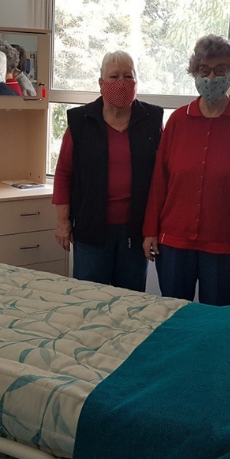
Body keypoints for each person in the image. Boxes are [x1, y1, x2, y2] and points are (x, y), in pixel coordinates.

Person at [142, 34, 230, 306]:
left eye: (221, 70)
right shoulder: (178, 120)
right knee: (172, 314)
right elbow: (160, 179)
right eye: (203, 70)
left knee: (214, 322)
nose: (211, 78)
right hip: (172, 242)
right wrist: (150, 230)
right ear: (193, 73)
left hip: (223, 245)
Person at [52, 50, 164, 292]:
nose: (122, 83)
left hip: (136, 230)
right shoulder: (80, 121)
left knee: (130, 301)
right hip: (91, 229)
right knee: (89, 299)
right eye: (114, 77)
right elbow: (63, 174)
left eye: (128, 76)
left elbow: (161, 176)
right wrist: (63, 222)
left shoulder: (152, 119)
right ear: (101, 83)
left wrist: (155, 227)